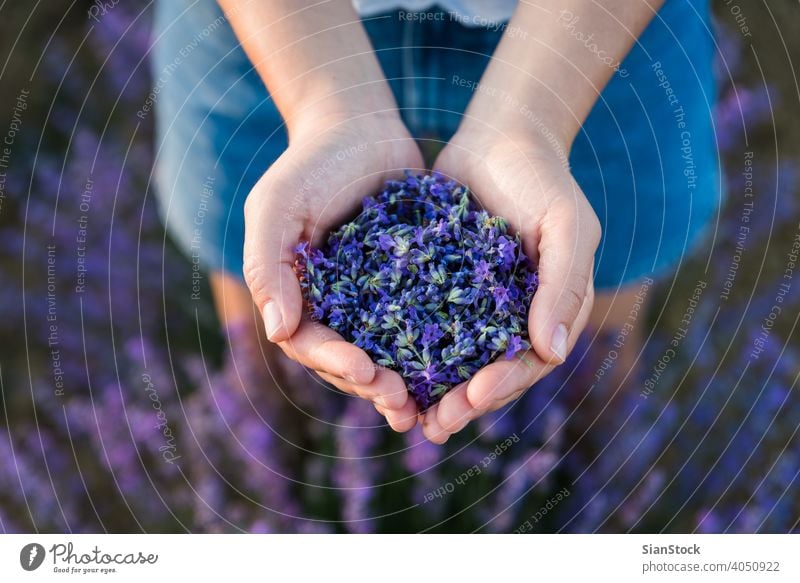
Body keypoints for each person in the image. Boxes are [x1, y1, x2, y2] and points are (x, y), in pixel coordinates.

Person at [151, 0, 720, 444]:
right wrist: (325, 111)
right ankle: (271, 472)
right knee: (262, 308)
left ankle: (597, 491)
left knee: (592, 326)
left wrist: (531, 126)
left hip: (588, 28)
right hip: (284, 27)